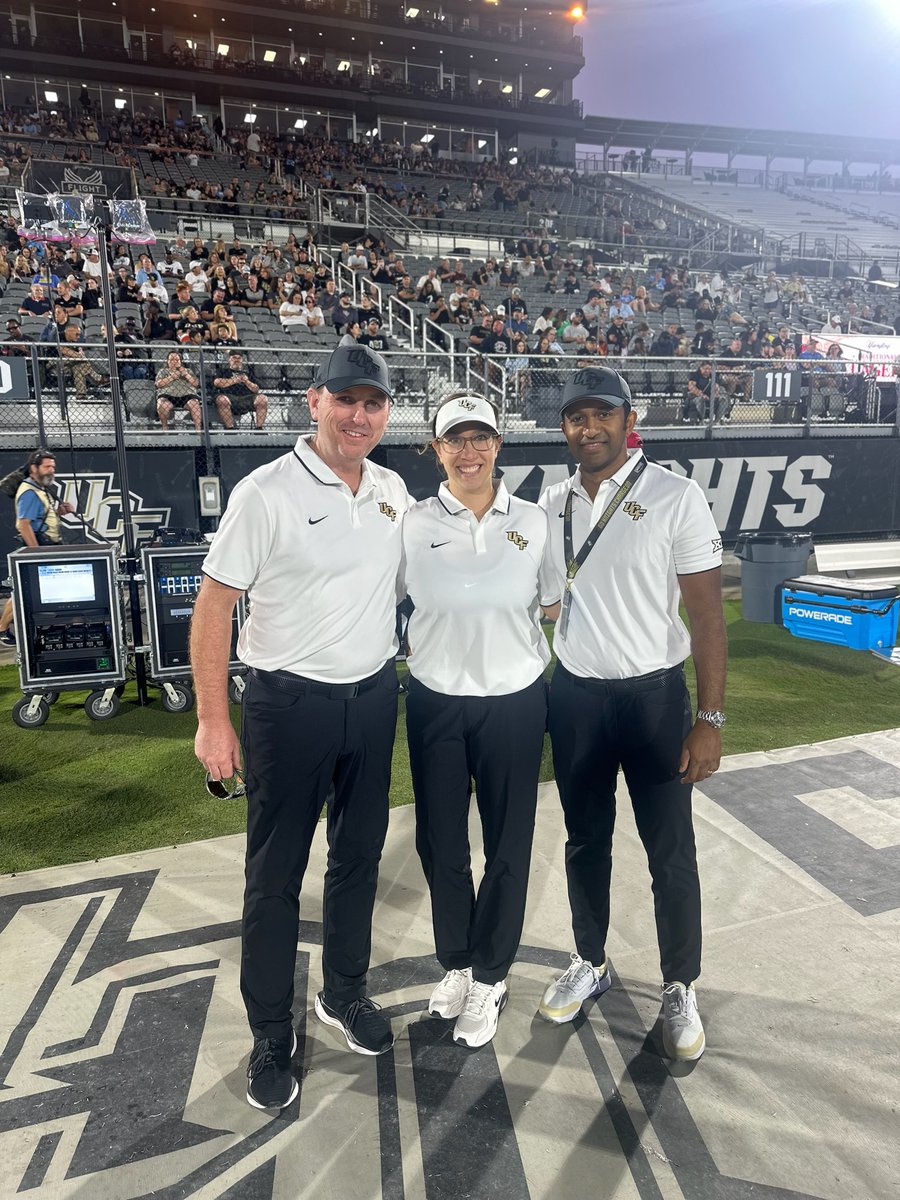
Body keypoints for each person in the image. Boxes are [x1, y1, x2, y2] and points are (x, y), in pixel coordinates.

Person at [191, 344, 411, 1109]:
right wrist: (215, 719)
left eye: (373, 403)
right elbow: (214, 605)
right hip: (287, 707)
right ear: (313, 401)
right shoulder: (266, 491)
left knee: (358, 857)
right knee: (274, 877)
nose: (359, 416)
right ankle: (269, 1031)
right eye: (345, 400)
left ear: (388, 412)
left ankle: (343, 992)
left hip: (375, 698)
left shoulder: (390, 489)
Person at [535, 365, 726, 1062]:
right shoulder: (551, 500)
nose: (589, 429)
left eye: (602, 415)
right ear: (563, 427)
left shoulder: (675, 496)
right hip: (577, 696)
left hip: (653, 699)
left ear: (627, 418)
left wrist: (710, 718)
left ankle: (680, 984)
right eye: (576, 418)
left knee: (669, 851)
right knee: (585, 841)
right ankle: (590, 961)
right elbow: (548, 597)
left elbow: (707, 615)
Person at [402, 393, 552, 1047]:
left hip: (515, 699)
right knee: (439, 844)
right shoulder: (408, 522)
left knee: (508, 844)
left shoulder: (536, 520)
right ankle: (459, 963)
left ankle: (490, 976)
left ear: (498, 445)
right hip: (435, 697)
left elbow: (551, 603)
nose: (469, 451)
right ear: (436, 450)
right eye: (454, 440)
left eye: (480, 438)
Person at [213, 351, 268, 429]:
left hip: (246, 397)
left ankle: (259, 428)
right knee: (221, 399)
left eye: (239, 358)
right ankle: (230, 428)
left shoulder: (248, 373)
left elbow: (256, 389)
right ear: (229, 359)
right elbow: (217, 382)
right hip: (229, 397)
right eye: (234, 357)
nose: (237, 360)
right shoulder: (223, 371)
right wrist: (233, 380)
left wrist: (246, 381)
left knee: (262, 398)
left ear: (242, 360)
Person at [155, 349, 202, 431]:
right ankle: (165, 428)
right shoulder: (163, 371)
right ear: (168, 362)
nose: (174, 362)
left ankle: (198, 430)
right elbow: (158, 384)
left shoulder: (188, 371)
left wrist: (186, 375)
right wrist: (172, 377)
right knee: (162, 404)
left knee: (195, 404)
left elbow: (196, 384)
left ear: (181, 361)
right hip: (168, 395)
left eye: (177, 360)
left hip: (187, 395)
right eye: (171, 360)